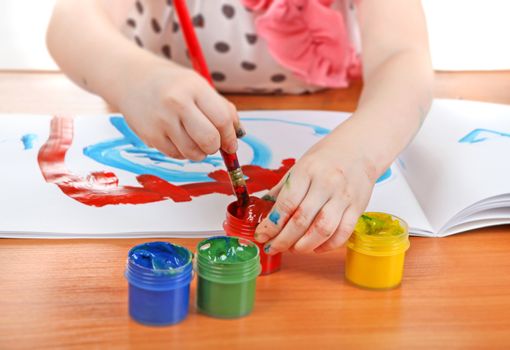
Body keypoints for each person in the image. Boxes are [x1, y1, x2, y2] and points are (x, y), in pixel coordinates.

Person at [46, 0, 433, 255]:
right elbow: (71, 22)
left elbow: (404, 57)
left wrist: (360, 153)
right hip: (158, 117)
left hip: (332, 114)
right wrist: (131, 78)